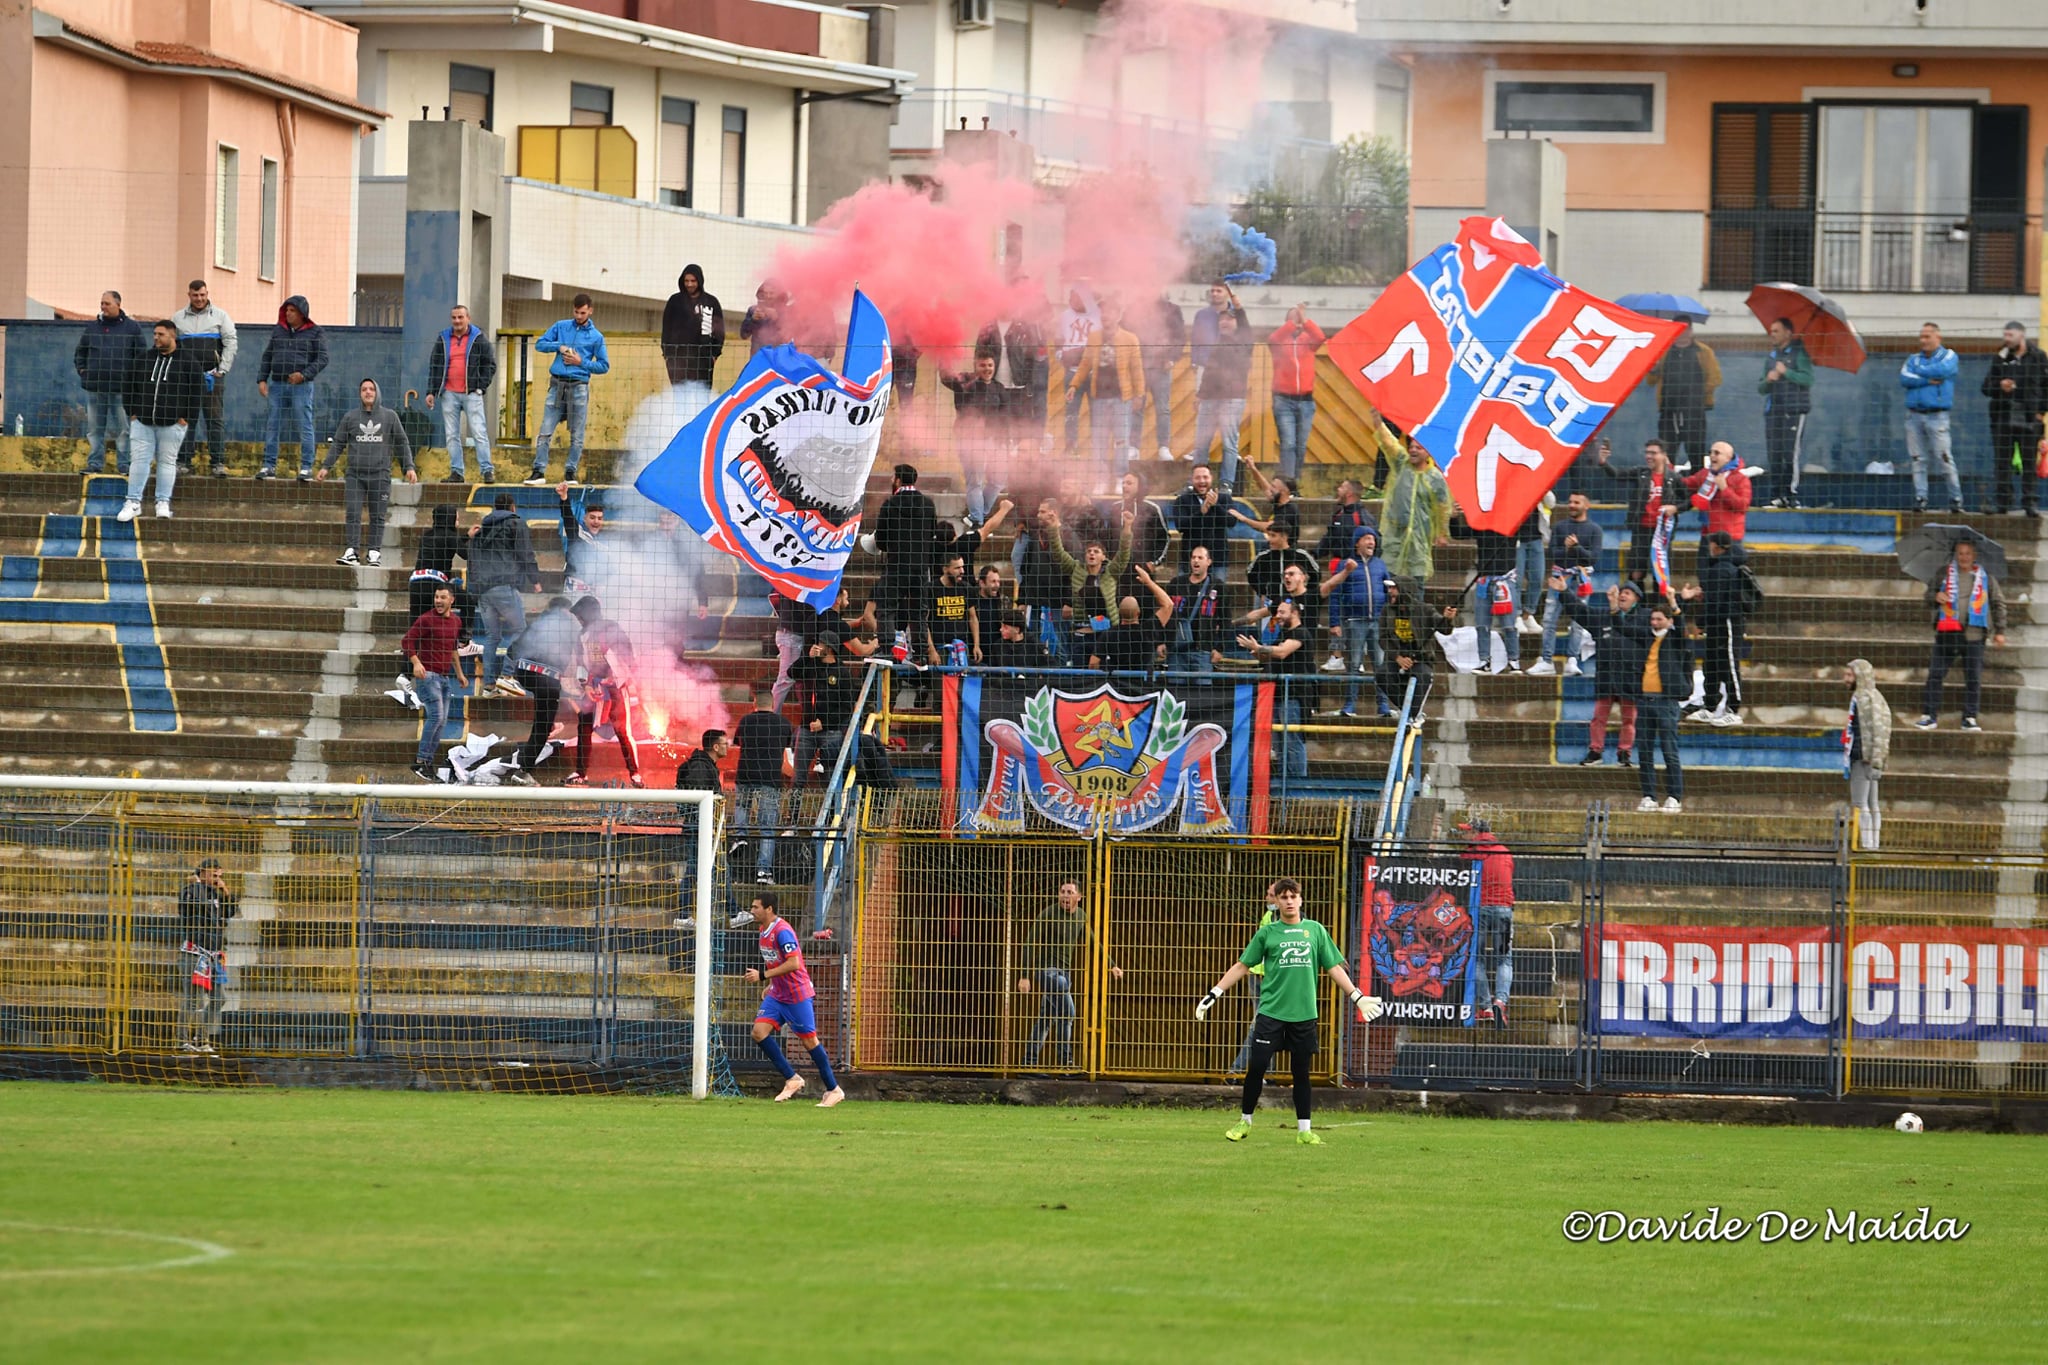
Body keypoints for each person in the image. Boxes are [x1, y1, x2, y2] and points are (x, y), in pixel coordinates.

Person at [1195, 878, 1383, 1144]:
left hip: (1303, 1015)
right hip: (1271, 1013)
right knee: (1257, 1067)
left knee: (1301, 1073)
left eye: (1293, 896)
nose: (1289, 901)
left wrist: (1357, 996)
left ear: (1301, 900)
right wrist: (1215, 992)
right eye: (1283, 897)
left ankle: (1304, 1131)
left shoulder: (1315, 931)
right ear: (1277, 902)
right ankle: (1244, 1122)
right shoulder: (1267, 933)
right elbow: (1242, 965)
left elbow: (1334, 967)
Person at [743, 893, 845, 1106]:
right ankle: (792, 1078)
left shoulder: (783, 932)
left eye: (756, 907)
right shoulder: (763, 930)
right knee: (758, 1033)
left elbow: (794, 963)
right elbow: (776, 961)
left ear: (769, 909)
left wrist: (763, 976)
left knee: (809, 1041)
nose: (752, 911)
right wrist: (771, 985)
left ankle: (833, 1089)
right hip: (778, 994)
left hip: (797, 995)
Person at [1017, 879, 1122, 1070]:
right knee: (1069, 1013)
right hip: (1047, 972)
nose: (1065, 896)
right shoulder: (1049, 913)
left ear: (1079, 897)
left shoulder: (1081, 916)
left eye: (1069, 892)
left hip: (1064, 973)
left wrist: (1111, 965)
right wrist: (1024, 975)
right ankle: (1066, 1062)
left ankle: (1028, 1062)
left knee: (1045, 1019)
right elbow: (1030, 942)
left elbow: (1093, 942)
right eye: (1062, 892)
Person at [317, 378, 417, 565]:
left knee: (377, 515)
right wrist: (326, 466)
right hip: (355, 475)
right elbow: (338, 443)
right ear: (360, 393)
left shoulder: (390, 416)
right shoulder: (350, 417)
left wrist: (409, 467)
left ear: (377, 392)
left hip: (380, 475)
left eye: (371, 389)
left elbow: (402, 442)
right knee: (353, 513)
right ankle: (352, 551)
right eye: (364, 389)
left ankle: (373, 552)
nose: (368, 392)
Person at [117, 321, 205, 523]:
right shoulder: (143, 359)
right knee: (139, 462)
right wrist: (132, 411)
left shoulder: (188, 362)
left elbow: (197, 392)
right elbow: (128, 384)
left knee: (167, 462)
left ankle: (162, 502)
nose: (156, 337)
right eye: (155, 334)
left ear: (173, 335)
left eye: (161, 334)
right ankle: (133, 502)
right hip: (142, 423)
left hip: (173, 424)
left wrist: (186, 418)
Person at [1917, 538, 2006, 731]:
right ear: (1955, 555)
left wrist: (2000, 630)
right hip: (1946, 634)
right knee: (1935, 675)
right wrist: (1935, 597)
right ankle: (1929, 715)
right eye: (1960, 553)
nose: (1963, 557)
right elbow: (1927, 597)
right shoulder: (1943, 574)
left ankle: (1970, 717)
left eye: (1967, 553)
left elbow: (1998, 603)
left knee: (1973, 678)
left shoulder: (1986, 577)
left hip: (1974, 636)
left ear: (1974, 556)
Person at [1557, 576, 1644, 767]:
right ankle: (1595, 752)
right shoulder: (1602, 616)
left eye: (1627, 593)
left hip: (1631, 679)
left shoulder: (1644, 619)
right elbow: (1580, 611)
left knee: (1629, 719)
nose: (1622, 595)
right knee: (1598, 717)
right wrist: (1564, 592)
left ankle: (1624, 754)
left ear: (1636, 598)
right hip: (1606, 676)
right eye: (1621, 592)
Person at [524, 294, 609, 484]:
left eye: (583, 312)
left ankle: (570, 471)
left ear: (590, 311)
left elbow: (604, 366)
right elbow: (539, 344)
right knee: (545, 429)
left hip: (579, 386)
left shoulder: (596, 337)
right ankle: (539, 471)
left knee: (577, 434)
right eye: (576, 312)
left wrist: (582, 362)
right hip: (557, 385)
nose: (579, 316)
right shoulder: (561, 326)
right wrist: (559, 347)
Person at [465, 492, 542, 692]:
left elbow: (472, 560)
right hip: (503, 586)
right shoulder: (516, 524)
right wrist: (535, 579)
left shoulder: (481, 530)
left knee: (492, 637)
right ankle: (507, 674)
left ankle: (489, 685)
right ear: (512, 507)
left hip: (483, 590)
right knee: (520, 630)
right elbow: (525, 553)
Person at [1618, 593, 1687, 813]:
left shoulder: (1676, 640)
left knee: (1670, 751)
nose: (1654, 623)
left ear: (1669, 621)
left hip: (1666, 703)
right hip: (1645, 701)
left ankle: (1674, 797)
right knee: (1644, 752)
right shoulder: (1647, 637)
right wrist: (1613, 609)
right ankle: (1648, 795)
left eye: (1659, 619)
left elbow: (1683, 629)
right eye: (1653, 619)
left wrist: (1675, 604)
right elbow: (1623, 628)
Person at [567, 595, 642, 787]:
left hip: (615, 688)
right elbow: (581, 663)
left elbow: (627, 657)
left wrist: (613, 678)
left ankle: (635, 774)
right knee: (584, 727)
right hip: (593, 686)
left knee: (622, 730)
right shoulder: (581, 635)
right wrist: (587, 685)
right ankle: (580, 773)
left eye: (580, 616)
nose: (579, 620)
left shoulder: (612, 629)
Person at [502, 595, 580, 777]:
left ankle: (523, 765)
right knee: (542, 727)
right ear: (565, 610)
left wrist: (510, 674)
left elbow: (511, 649)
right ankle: (523, 772)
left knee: (543, 721)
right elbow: (576, 659)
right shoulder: (568, 626)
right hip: (547, 677)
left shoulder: (538, 623)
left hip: (524, 673)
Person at [866, 464, 939, 658]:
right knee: (918, 612)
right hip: (921, 568)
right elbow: (933, 533)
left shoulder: (890, 505)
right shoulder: (928, 504)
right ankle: (920, 653)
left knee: (887, 607)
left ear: (898, 480)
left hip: (896, 565)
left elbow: (880, 539)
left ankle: (887, 650)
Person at [1237, 597, 1312, 779]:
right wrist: (1256, 650)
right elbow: (1267, 657)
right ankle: (1284, 779)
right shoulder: (1283, 633)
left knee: (1292, 741)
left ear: (1294, 613)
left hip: (1294, 695)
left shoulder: (1300, 633)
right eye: (1277, 612)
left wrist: (1261, 647)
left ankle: (1297, 784)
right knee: (1278, 743)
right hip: (1277, 693)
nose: (1277, 616)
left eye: (1282, 612)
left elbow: (1282, 652)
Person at [167, 279, 236, 478]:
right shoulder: (178, 318)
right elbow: (172, 345)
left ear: (207, 294)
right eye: (195, 295)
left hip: (212, 377)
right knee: (185, 420)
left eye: (202, 295)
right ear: (189, 295)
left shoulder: (221, 316)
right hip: (186, 380)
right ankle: (183, 462)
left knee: (214, 419)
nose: (199, 299)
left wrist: (222, 369)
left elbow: (230, 342)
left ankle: (218, 463)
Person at [1528, 491, 1601, 677]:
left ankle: (1572, 660)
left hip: (1581, 581)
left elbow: (1593, 559)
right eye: (1570, 501)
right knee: (1549, 620)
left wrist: (1576, 548)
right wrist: (1570, 551)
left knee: (1578, 622)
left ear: (1586, 505)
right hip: (1559, 579)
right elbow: (1553, 553)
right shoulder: (1560, 527)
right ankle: (1546, 660)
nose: (1572, 505)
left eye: (1577, 502)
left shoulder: (1595, 530)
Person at [256, 294, 329, 481]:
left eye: (292, 310)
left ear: (302, 313)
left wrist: (303, 375)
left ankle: (306, 468)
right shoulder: (278, 331)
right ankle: (269, 465)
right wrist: (262, 379)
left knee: (304, 425)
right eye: (286, 310)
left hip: (301, 386)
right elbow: (267, 356)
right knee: (272, 425)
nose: (288, 313)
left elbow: (322, 359)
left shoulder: (315, 332)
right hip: (277, 384)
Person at [1682, 531, 1751, 726]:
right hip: (1716, 623)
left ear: (1717, 547)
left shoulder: (1724, 569)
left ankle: (1733, 709)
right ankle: (1710, 706)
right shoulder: (1722, 568)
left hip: (1728, 622)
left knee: (1729, 663)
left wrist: (1701, 621)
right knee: (1711, 664)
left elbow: (1717, 601)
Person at [1593, 438, 1682, 589]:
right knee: (1635, 573)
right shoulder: (1641, 473)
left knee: (1658, 575)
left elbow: (1688, 500)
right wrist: (1604, 462)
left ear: (1663, 455)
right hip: (1641, 530)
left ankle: (1658, 609)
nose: (1649, 456)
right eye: (1647, 453)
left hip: (1662, 534)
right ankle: (1636, 609)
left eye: (1653, 453)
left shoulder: (1674, 478)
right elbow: (1617, 474)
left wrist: (1675, 508)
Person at [401, 584, 469, 780]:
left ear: (451, 600)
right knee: (436, 717)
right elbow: (407, 641)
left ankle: (427, 762)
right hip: (428, 676)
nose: (438, 601)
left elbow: (452, 649)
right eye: (436, 597)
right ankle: (421, 761)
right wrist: (415, 663)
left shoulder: (456, 621)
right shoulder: (427, 619)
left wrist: (460, 674)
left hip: (445, 677)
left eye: (443, 597)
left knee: (442, 721)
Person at [1047, 507, 1134, 658]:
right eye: (1089, 551)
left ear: (1103, 557)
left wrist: (1127, 527)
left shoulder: (1111, 571)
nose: (1091, 554)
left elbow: (1124, 552)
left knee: (1103, 674)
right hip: (1081, 633)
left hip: (1106, 634)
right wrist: (1054, 528)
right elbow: (1058, 553)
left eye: (1096, 551)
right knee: (1080, 674)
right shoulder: (1075, 568)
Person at [1071, 293, 1142, 477]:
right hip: (1100, 397)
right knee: (1099, 440)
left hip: (1122, 398)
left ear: (1118, 315)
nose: (1105, 315)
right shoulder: (1094, 338)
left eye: (1110, 311)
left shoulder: (1130, 339)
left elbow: (1136, 369)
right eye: (1102, 311)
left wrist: (1138, 394)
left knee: (1121, 439)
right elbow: (1085, 363)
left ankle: (1120, 477)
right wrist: (1074, 385)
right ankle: (1100, 478)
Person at [425, 304, 498, 483]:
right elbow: (434, 365)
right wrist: (431, 391)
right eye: (454, 318)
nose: (457, 321)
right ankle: (457, 472)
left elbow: (490, 364)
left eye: (460, 317)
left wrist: (480, 386)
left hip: (472, 393)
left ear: (468, 318)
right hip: (448, 393)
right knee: (451, 435)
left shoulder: (479, 338)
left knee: (479, 432)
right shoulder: (443, 338)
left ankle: (487, 470)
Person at [1982, 320, 2048, 517]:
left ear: (2022, 335)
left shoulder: (2038, 357)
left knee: (2029, 461)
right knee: (2002, 462)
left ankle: (2030, 504)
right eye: (2005, 335)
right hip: (2003, 416)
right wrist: (2000, 386)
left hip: (2029, 418)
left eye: (2010, 335)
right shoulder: (2000, 357)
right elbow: (1985, 387)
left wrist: (2041, 412)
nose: (2006, 339)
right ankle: (2003, 503)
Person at [74, 289, 144, 475]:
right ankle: (95, 464)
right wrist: (83, 371)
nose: (103, 307)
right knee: (95, 430)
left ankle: (125, 465)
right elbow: (80, 352)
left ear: (118, 305)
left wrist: (134, 380)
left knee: (123, 430)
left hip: (122, 390)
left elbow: (142, 356)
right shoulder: (92, 328)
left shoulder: (132, 328)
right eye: (102, 303)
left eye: (107, 303)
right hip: (95, 388)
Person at [733, 683, 794, 883]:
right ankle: (763, 872)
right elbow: (788, 749)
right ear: (773, 703)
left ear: (754, 703)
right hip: (770, 778)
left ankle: (741, 835)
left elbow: (737, 743)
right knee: (767, 828)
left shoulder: (745, 721)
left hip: (745, 775)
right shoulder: (784, 724)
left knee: (742, 805)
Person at [1899, 321, 1962, 513]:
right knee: (1918, 459)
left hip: (1938, 416)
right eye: (1921, 336)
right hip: (1914, 416)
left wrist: (1918, 376)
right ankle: (1921, 498)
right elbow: (1904, 378)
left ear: (1938, 337)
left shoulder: (1949, 355)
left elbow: (1943, 371)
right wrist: (1927, 380)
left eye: (1927, 336)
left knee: (1944, 458)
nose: (1923, 340)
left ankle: (1955, 499)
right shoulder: (1913, 358)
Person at [177, 857, 238, 1054]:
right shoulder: (190, 891)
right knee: (193, 999)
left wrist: (225, 890)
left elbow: (229, 912)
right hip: (195, 953)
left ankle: (201, 1038)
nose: (217, 878)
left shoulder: (215, 893)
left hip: (213, 955)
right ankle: (183, 1040)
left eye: (219, 874)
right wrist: (196, 883)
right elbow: (200, 907)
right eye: (213, 874)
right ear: (202, 873)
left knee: (218, 999)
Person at [1328, 527, 1391, 716]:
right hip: (1354, 622)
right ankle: (1350, 706)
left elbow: (1389, 592)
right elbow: (1335, 594)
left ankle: (1384, 706)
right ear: (1357, 543)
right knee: (1354, 665)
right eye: (1366, 538)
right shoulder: (1346, 565)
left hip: (1378, 622)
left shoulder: (1380, 565)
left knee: (1380, 665)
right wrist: (1334, 622)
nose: (1371, 542)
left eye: (1373, 539)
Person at [941, 353, 1010, 526]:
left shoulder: (999, 388)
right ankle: (978, 519)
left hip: (994, 441)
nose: (987, 369)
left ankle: (979, 513)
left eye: (990, 365)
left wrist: (1006, 439)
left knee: (998, 480)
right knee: (975, 481)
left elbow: (1004, 415)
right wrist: (943, 356)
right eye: (983, 365)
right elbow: (945, 378)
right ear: (975, 366)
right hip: (969, 440)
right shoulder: (965, 382)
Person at [1379, 437, 1452, 600]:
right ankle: (1387, 621)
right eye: (1411, 447)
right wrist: (1378, 423)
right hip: (1395, 537)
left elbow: (1443, 507)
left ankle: (1416, 622)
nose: (1413, 450)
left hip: (1419, 540)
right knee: (1388, 582)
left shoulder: (1435, 478)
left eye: (1418, 448)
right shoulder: (1402, 465)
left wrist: (1442, 533)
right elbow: (1390, 444)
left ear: (1428, 453)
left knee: (1416, 583)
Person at [1450, 513, 1521, 675]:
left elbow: (1530, 531)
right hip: (1484, 581)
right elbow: (1458, 534)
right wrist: (1453, 518)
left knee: (1509, 624)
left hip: (1505, 581)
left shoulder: (1512, 523)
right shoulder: (1481, 525)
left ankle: (1514, 661)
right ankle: (1484, 661)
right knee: (1482, 624)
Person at [1459, 820, 1514, 1027]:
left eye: (1465, 832)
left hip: (1478, 910)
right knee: (1504, 960)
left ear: (1475, 832)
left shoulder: (1469, 854)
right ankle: (1501, 1001)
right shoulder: (1504, 851)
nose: (1462, 836)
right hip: (1504, 909)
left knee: (1476, 959)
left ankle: (1486, 1007)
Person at [1648, 321, 1721, 470]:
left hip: (1694, 412)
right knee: (1667, 453)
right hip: (1669, 411)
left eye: (1686, 329)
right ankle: (1665, 489)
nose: (1682, 332)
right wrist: (1653, 369)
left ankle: (1696, 490)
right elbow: (1650, 381)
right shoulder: (1663, 351)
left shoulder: (1703, 351)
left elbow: (1715, 378)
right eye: (1679, 329)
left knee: (1695, 452)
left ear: (1691, 330)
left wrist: (1697, 395)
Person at [791, 631, 861, 787]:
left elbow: (846, 708)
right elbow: (791, 673)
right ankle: (793, 811)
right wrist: (806, 658)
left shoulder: (842, 673)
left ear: (829, 648)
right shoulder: (811, 666)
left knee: (830, 778)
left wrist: (824, 723)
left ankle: (830, 811)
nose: (816, 646)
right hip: (806, 730)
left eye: (820, 643)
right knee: (798, 779)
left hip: (831, 733)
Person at [1193, 307, 1252, 491]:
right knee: (1201, 442)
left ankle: (1227, 484)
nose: (1224, 322)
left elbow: (1244, 322)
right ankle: (1195, 481)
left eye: (1229, 319)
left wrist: (1238, 306)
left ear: (1238, 323)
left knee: (1229, 443)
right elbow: (1209, 372)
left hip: (1232, 399)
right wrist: (1200, 395)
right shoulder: (1217, 343)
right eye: (1221, 319)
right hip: (1210, 399)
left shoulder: (1244, 342)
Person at [1758, 317, 1815, 509]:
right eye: (1771, 331)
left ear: (1787, 333)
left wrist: (1786, 372)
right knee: (1774, 453)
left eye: (1776, 331)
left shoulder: (1800, 354)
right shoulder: (1771, 357)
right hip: (1774, 411)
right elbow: (1760, 388)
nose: (1771, 334)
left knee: (1790, 453)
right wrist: (1769, 379)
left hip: (1794, 411)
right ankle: (1776, 495)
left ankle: (1791, 495)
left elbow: (1808, 379)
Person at [1266, 305, 1324, 480]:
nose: (1296, 323)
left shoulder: (1308, 342)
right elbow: (1274, 338)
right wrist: (1292, 324)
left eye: (1298, 319)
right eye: (1292, 319)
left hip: (1306, 401)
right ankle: (1287, 482)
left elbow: (1320, 337)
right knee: (1288, 444)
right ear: (1286, 323)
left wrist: (1305, 322)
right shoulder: (1279, 342)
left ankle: (1294, 482)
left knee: (1300, 445)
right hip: (1284, 400)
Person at [1844, 658, 1892, 851]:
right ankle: (1873, 843)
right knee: (1872, 803)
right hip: (1868, 756)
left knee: (1861, 802)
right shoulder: (1872, 696)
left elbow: (1880, 731)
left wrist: (1876, 760)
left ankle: (1867, 844)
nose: (1845, 679)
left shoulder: (1865, 699)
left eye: (1849, 675)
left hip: (1863, 757)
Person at [1089, 564, 1174, 672]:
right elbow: (1168, 605)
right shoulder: (1148, 630)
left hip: (1117, 684)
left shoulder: (1109, 634)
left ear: (1119, 612)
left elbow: (1093, 662)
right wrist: (1148, 581)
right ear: (1138, 613)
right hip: (1142, 684)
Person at [1131, 292, 1184, 462]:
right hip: (1139, 365)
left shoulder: (1173, 310)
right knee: (1136, 406)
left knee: (1163, 408)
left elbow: (1179, 337)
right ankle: (1133, 447)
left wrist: (1172, 357)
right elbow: (1128, 332)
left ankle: (1163, 447)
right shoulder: (1136, 308)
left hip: (1162, 367)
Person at [1684, 442, 1753, 572]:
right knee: (1704, 577)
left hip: (1728, 540)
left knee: (1724, 579)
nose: (1711, 456)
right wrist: (1667, 472)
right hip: (1708, 536)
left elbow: (1742, 506)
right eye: (1710, 452)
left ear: (1728, 457)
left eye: (1717, 453)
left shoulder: (1740, 479)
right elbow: (1687, 483)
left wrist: (1724, 489)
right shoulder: (1706, 474)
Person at [660, 263, 725, 398]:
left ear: (700, 281)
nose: (689, 284)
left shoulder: (710, 302)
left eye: (693, 281)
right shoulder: (675, 301)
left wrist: (714, 354)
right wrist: (667, 354)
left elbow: (719, 331)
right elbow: (666, 328)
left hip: (703, 360)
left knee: (702, 397)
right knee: (680, 397)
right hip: (678, 360)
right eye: (686, 281)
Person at [1053, 283, 1100, 452]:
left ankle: (1097, 446)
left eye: (1074, 297)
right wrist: (1063, 357)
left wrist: (1085, 353)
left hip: (1095, 373)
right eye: (1069, 296)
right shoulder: (1064, 316)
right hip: (1071, 373)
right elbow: (1057, 342)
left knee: (1097, 412)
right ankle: (1071, 445)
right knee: (1071, 412)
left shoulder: (1098, 315)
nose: (1070, 300)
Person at [1166, 544, 1225, 676]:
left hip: (1203, 651)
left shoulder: (1217, 586)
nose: (1196, 560)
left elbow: (1225, 620)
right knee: (1176, 693)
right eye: (1193, 557)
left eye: (1200, 557)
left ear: (1209, 562)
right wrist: (1160, 642)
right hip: (1177, 650)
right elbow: (1164, 614)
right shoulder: (1176, 584)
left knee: (1202, 692)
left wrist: (1219, 648)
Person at [1170, 466, 1234, 578]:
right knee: (1184, 593)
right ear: (1192, 480)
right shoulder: (1182, 500)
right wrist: (1201, 512)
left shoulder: (1224, 499)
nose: (1202, 481)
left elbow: (1231, 521)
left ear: (1211, 478)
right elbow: (1180, 526)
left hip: (1217, 559)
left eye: (1205, 477)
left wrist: (1215, 506)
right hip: (1190, 559)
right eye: (1198, 478)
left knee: (1217, 594)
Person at [557, 482, 606, 597]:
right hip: (575, 588)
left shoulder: (604, 543)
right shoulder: (577, 534)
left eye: (599, 518)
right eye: (592, 517)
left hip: (595, 592)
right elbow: (568, 518)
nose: (596, 521)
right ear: (584, 519)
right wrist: (564, 498)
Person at [1229, 473, 1302, 547]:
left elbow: (1269, 527)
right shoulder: (1278, 502)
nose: (1270, 489)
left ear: (1284, 491)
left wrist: (1244, 519)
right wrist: (1253, 468)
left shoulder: (1290, 509)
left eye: (1273, 487)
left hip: (1286, 552)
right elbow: (1264, 487)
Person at [741, 279, 792, 354]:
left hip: (780, 356)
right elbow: (743, 335)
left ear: (779, 294)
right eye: (765, 293)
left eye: (771, 293)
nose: (768, 296)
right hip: (759, 356)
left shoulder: (787, 311)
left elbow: (791, 335)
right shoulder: (753, 310)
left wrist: (777, 318)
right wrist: (753, 320)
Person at [675, 728, 726, 793]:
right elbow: (699, 795)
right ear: (716, 747)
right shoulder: (700, 767)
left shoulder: (707, 765)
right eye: (725, 744)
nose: (728, 747)